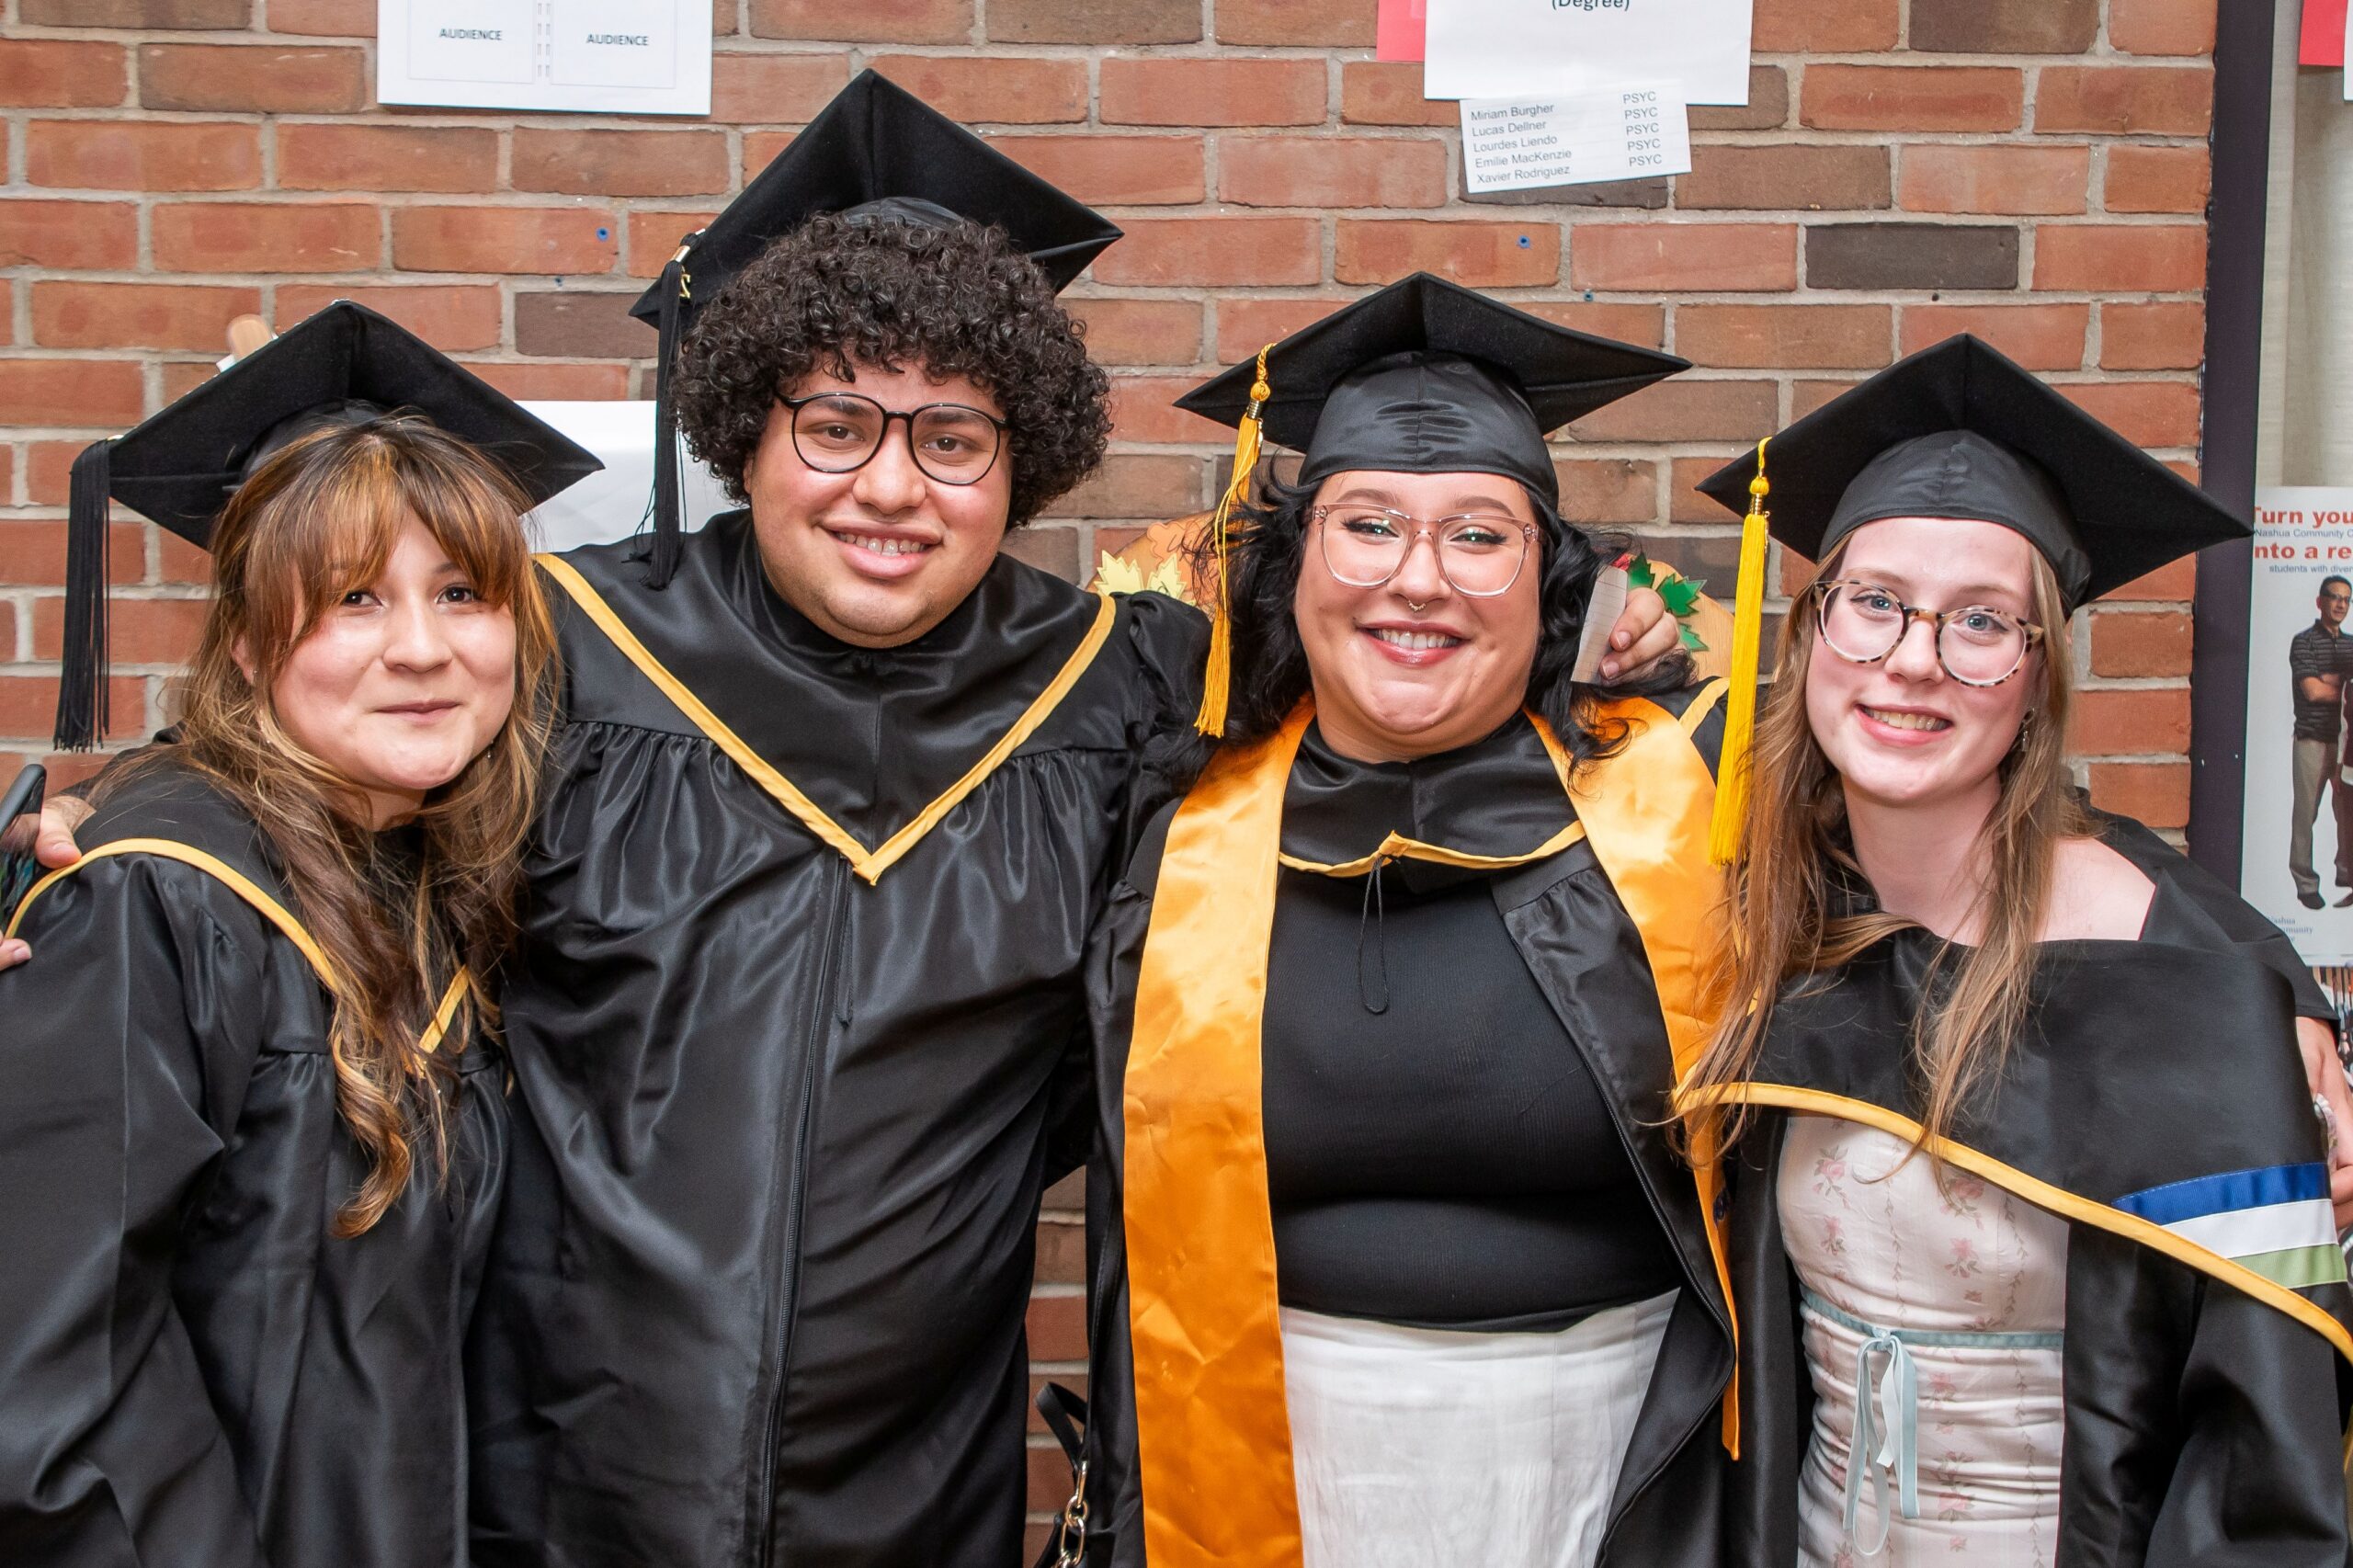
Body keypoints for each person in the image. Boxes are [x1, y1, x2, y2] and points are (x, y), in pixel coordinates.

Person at [0, 78, 1678, 1568]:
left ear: (1022, 459)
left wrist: (1594, 638)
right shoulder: (570, 652)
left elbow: (1386, 680)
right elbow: (308, 753)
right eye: (837, 425)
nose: (891, 486)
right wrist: (86, 835)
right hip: (551, 1486)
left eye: (953, 437)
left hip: (920, 1496)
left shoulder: (1127, 691)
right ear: (751, 430)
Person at [1075, 275, 1736, 1568]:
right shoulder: (1166, 812)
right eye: (1367, 525)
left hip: (1617, 1473)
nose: (1418, 581)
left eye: (1481, 535)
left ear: (1552, 577)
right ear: (1295, 561)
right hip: (1258, 1466)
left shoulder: (1678, 801)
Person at [1680, 334, 2353, 1568]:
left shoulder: (2177, 988)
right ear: (1808, 632)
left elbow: (2262, 1450)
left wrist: (2277, 987)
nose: (1913, 659)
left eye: (1982, 620)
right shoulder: (1775, 902)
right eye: (1873, 601)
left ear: (2040, 678)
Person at [0, 302, 597, 1566]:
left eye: (462, 592)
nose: (425, 650)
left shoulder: (431, 874)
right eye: (356, 598)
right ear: (248, 631)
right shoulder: (155, 898)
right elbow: (40, 1404)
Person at [2289, 574, 2353, 907]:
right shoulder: (2304, 642)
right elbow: (2312, 692)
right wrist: (2343, 685)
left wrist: (2332, 680)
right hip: (2312, 741)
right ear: (2320, 601)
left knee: (2348, 813)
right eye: (2334, 597)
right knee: (2306, 813)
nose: (2341, 604)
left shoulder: (2351, 644)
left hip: (2346, 745)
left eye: (2346, 598)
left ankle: (2346, 872)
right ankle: (2305, 882)